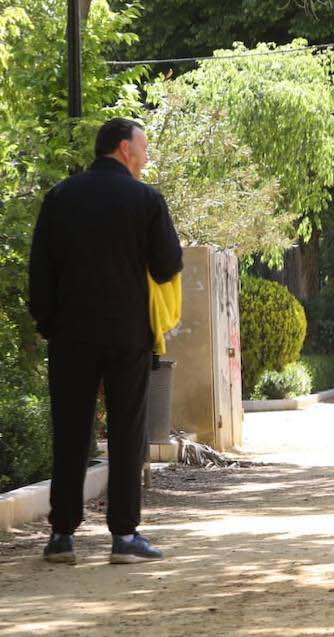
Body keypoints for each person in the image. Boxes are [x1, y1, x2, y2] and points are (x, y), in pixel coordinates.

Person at [29, 117, 183, 564]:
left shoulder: (59, 197)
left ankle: (61, 536)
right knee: (126, 431)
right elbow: (168, 264)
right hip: (127, 334)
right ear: (122, 148)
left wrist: (48, 323)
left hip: (70, 335)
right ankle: (124, 536)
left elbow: (40, 271)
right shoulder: (146, 199)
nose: (146, 155)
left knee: (71, 432)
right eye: (143, 146)